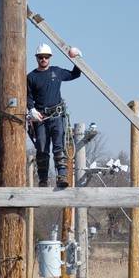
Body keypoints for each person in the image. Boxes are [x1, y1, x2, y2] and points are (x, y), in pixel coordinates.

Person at [27, 42, 82, 188]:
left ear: (50, 58)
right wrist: (31, 109)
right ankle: (43, 180)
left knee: (59, 147)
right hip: (40, 117)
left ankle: (62, 176)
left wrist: (78, 59)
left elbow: (75, 74)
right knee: (42, 149)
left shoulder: (56, 72)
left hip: (57, 116)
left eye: (46, 57)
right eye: (41, 57)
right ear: (37, 58)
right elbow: (28, 97)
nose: (43, 59)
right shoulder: (31, 77)